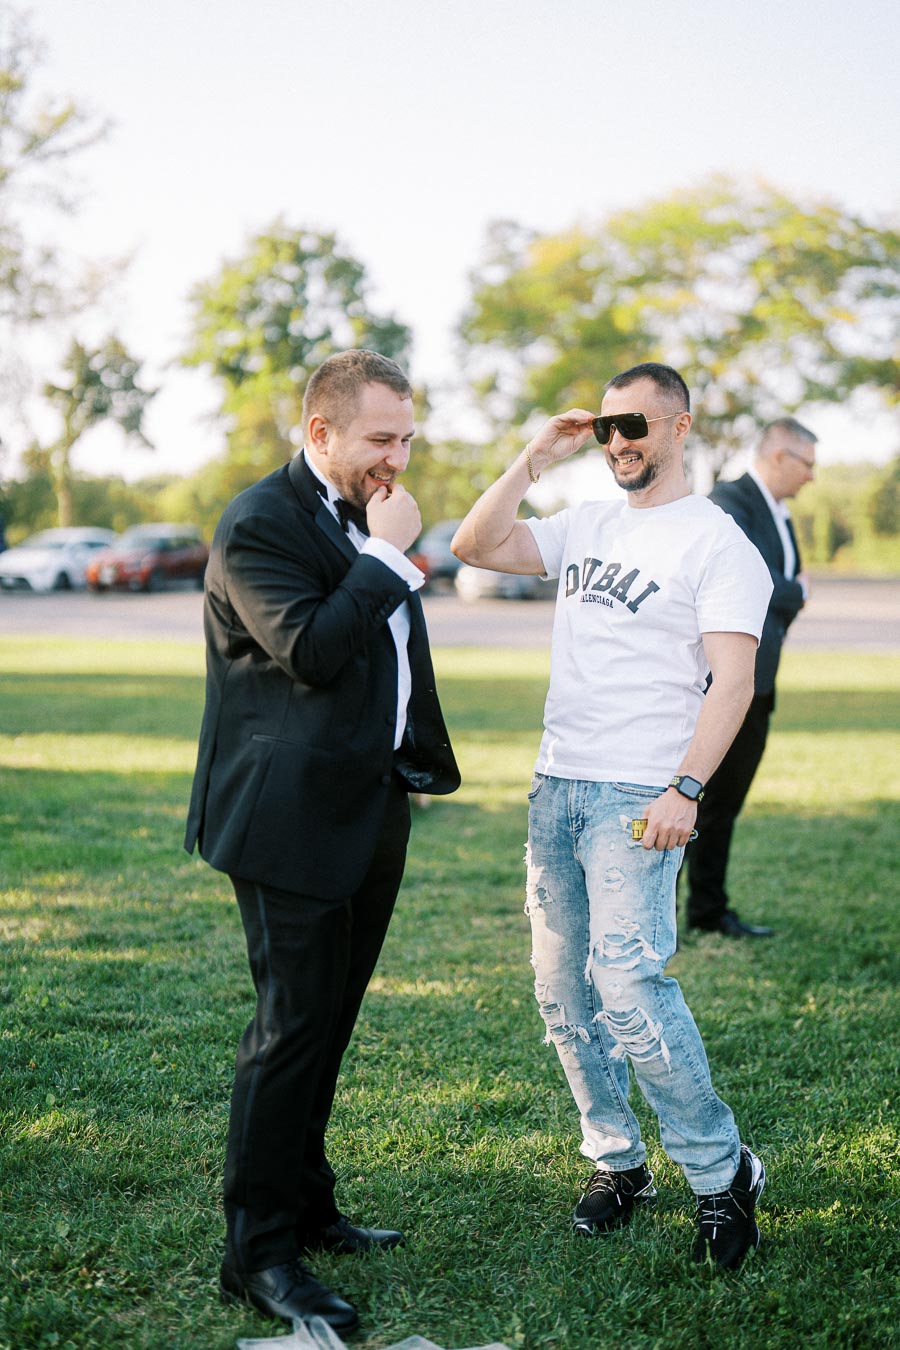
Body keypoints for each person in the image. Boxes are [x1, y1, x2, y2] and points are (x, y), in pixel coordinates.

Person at [451, 362, 773, 1270]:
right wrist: (533, 456)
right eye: (607, 428)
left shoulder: (717, 541)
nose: (620, 442)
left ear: (679, 427)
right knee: (564, 995)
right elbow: (476, 544)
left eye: (635, 424)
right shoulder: (584, 520)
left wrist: (687, 789)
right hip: (558, 784)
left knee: (629, 988)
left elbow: (734, 678)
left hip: (642, 795)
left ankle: (720, 1175)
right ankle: (618, 1163)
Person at [185, 349, 460, 1333]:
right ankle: (255, 1255)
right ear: (321, 433)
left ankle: (307, 1207)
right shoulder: (261, 521)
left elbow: (387, 653)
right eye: (382, 439)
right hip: (286, 819)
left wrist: (412, 758)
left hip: (370, 804)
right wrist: (388, 557)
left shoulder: (369, 514)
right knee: (289, 1029)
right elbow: (308, 648)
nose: (399, 457)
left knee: (328, 1024)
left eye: (408, 437)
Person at [685, 418, 815, 938]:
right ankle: (666, 915)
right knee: (693, 800)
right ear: (780, 456)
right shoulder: (730, 500)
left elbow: (776, 590)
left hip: (759, 683)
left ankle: (708, 911)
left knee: (724, 806)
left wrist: (788, 592)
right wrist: (797, 592)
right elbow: (759, 584)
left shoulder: (779, 513)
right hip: (723, 684)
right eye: (808, 464)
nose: (812, 477)